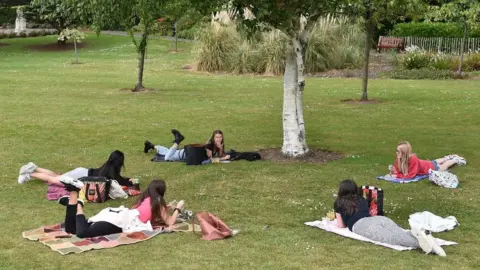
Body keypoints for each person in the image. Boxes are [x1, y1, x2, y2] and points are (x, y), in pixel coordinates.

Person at [333, 179, 446, 256]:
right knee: (400, 232)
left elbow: (341, 225)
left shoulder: (339, 202)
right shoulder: (361, 199)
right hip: (378, 219)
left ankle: (426, 245)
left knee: (394, 239)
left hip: (362, 225)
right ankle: (422, 236)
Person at [58, 179, 184, 238]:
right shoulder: (158, 201)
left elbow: (145, 212)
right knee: (82, 233)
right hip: (117, 222)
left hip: (114, 215)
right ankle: (79, 205)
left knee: (71, 229)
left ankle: (73, 195)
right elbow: (170, 222)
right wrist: (178, 208)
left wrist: (167, 208)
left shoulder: (146, 198)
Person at [17, 150, 135, 187]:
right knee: (53, 179)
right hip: (80, 175)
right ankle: (29, 174)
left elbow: (119, 179)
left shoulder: (108, 166)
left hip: (82, 171)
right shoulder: (112, 171)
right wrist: (130, 182)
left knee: (56, 177)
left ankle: (34, 167)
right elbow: (119, 180)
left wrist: (128, 180)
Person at [389, 141, 466, 179]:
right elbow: (398, 170)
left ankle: (456, 160)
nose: (396, 152)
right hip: (426, 163)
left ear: (404, 153)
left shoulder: (413, 159)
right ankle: (448, 157)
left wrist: (396, 175)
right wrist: (394, 170)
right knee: (435, 161)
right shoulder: (399, 158)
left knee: (442, 167)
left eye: (398, 151)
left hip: (429, 168)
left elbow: (410, 176)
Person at [144, 129, 230, 162]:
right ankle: (178, 140)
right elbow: (210, 159)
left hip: (185, 153)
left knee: (167, 151)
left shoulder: (218, 145)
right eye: (217, 137)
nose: (219, 139)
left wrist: (221, 148)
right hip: (184, 155)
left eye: (220, 137)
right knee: (167, 157)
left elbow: (221, 154)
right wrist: (223, 159)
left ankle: (151, 145)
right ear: (213, 138)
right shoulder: (210, 145)